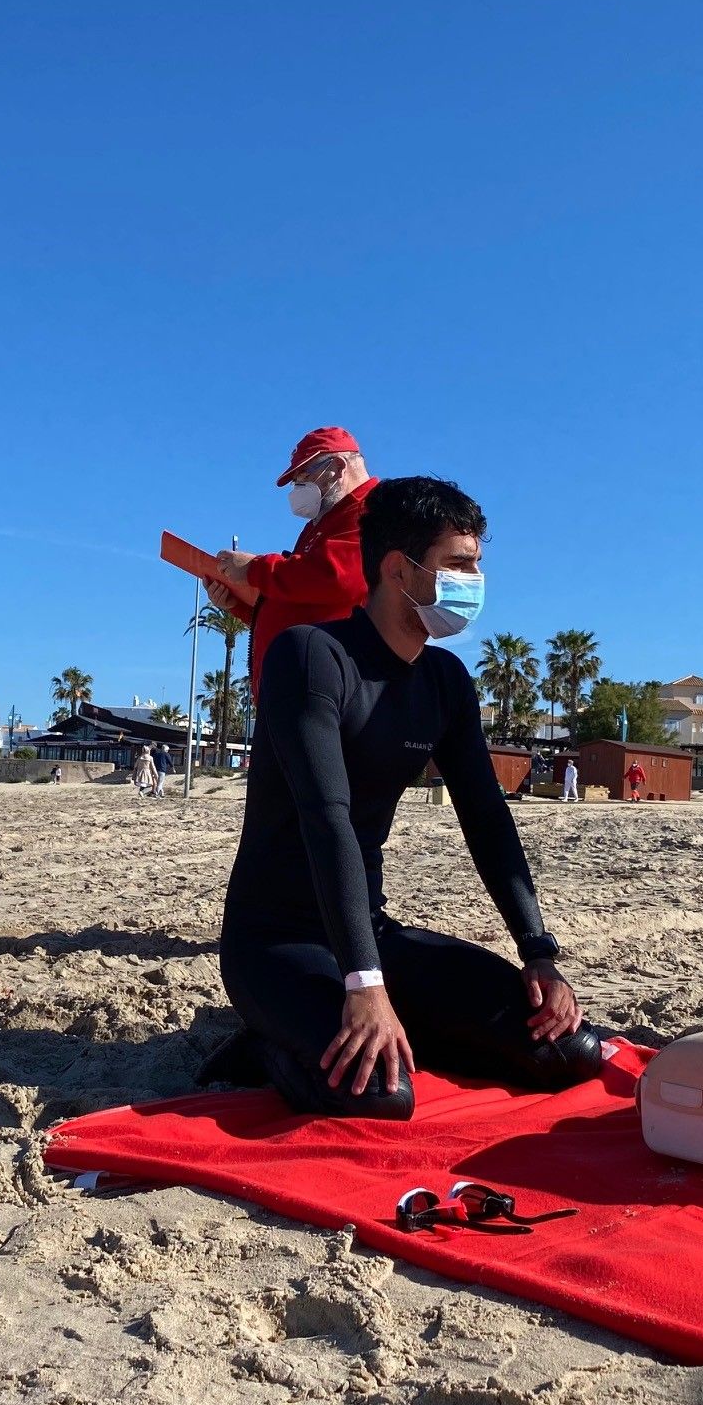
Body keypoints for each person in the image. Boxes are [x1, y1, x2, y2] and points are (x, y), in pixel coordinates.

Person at [214, 475, 603, 1119]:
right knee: (379, 1095)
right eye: (459, 564)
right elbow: (327, 818)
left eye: (476, 565)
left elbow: (486, 817)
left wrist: (537, 951)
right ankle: (265, 1044)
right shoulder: (310, 657)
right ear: (399, 569)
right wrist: (364, 984)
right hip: (275, 942)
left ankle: (393, 1018)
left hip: (371, 933)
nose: (474, 582)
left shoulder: (445, 680)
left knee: (569, 1053)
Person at [211, 427, 381, 697]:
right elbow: (300, 600)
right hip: (295, 688)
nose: (298, 488)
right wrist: (237, 605)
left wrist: (254, 568)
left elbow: (334, 578)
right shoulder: (324, 522)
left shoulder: (370, 511)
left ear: (337, 467)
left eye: (304, 476)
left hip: (324, 688)